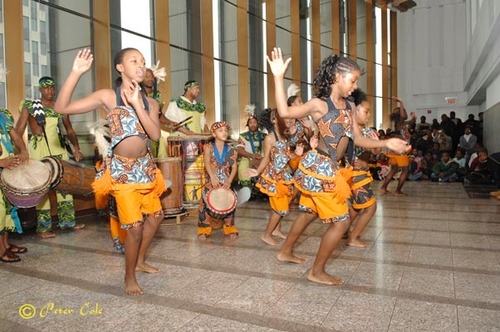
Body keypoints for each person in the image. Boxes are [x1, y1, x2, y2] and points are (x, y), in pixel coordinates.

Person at [267, 47, 410, 285]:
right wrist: (278, 76)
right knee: (342, 221)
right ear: (336, 77)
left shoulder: (350, 107)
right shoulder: (319, 105)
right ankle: (317, 271)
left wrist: (386, 142)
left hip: (331, 167)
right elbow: (284, 111)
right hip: (318, 167)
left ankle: (285, 251)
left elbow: (359, 138)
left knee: (309, 212)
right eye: (352, 80)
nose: (354, 86)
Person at [53, 48, 166, 296]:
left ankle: (140, 260)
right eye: (134, 60)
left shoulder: (152, 102)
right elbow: (62, 107)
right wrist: (76, 72)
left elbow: (155, 135)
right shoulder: (108, 95)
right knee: (134, 228)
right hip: (122, 172)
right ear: (120, 68)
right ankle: (129, 276)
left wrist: (138, 104)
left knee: (156, 217)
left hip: (146, 169)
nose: (141, 65)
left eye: (143, 62)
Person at [16, 76, 85, 238]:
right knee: (43, 188)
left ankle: (67, 222)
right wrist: (21, 151)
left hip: (58, 148)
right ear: (40, 89)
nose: (50, 91)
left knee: (65, 184)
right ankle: (43, 228)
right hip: (39, 149)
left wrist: (76, 147)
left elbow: (69, 130)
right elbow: (18, 130)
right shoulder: (31, 106)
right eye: (46, 88)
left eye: (52, 88)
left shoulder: (60, 106)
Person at [246, 108, 301, 246]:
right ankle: (267, 234)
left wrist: (297, 154)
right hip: (274, 178)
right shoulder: (269, 138)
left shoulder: (285, 136)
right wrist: (257, 171)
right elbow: (266, 159)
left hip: (284, 175)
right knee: (281, 208)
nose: (287, 120)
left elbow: (287, 156)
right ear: (273, 120)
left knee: (280, 205)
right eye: (283, 117)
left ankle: (276, 230)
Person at [344, 88, 379, 248]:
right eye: (366, 111)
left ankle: (343, 231)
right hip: (356, 175)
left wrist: (376, 143)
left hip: (362, 174)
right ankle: (353, 237)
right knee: (371, 207)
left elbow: (374, 153)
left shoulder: (367, 131)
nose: (368, 115)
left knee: (356, 208)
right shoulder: (350, 132)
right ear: (354, 111)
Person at [198, 121, 239, 239]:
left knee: (230, 202)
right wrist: (212, 177)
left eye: (226, 130)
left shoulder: (231, 149)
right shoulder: (208, 147)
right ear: (214, 134)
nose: (224, 132)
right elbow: (207, 162)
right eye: (220, 130)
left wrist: (229, 181)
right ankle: (204, 229)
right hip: (212, 179)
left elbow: (234, 167)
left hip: (226, 180)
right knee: (203, 203)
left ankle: (229, 228)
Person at [0, 107, 29, 263]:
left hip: (7, 171)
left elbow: (16, 136)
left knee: (7, 210)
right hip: (2, 166)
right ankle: (1, 249)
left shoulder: (3, 114)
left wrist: (23, 150)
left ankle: (5, 244)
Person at [236, 104, 266, 193]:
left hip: (262, 158)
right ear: (247, 124)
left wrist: (260, 158)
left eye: (255, 122)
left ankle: (263, 190)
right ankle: (247, 190)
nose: (253, 125)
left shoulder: (265, 136)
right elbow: (240, 150)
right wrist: (252, 156)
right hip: (247, 157)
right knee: (242, 167)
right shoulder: (242, 136)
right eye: (250, 123)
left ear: (258, 124)